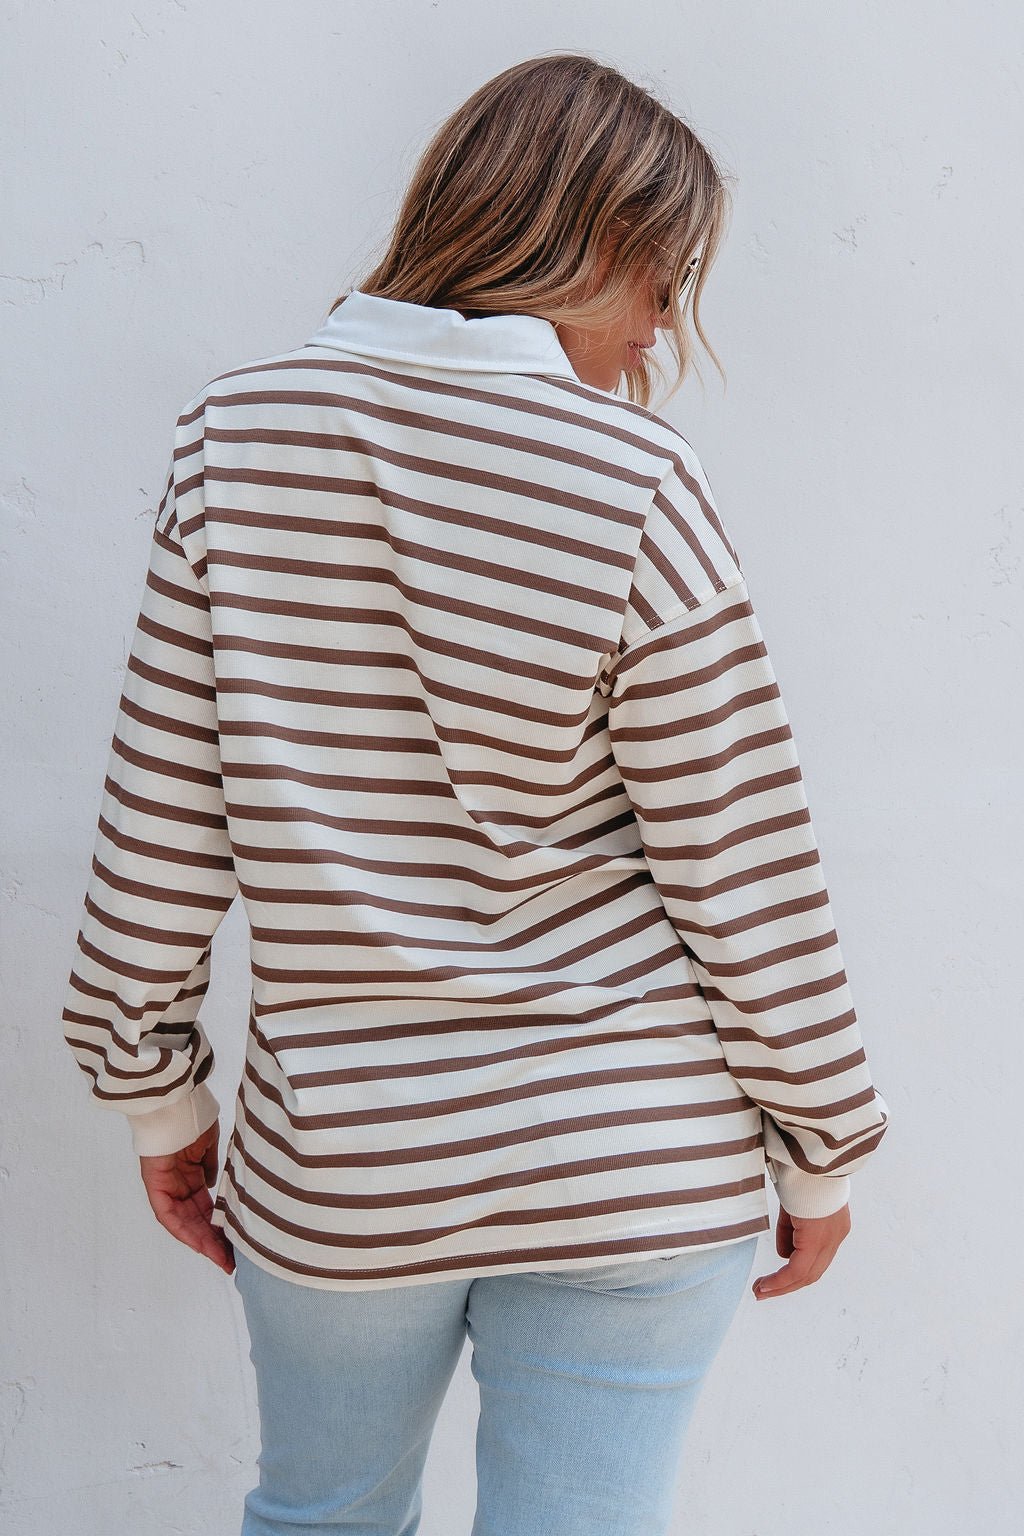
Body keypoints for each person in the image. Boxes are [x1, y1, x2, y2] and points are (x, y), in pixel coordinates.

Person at [61, 52, 890, 1536]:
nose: (655, 332)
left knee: (320, 1516)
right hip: (629, 1158)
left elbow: (160, 825)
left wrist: (157, 1097)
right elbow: (740, 860)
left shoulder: (235, 443)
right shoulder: (637, 480)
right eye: (663, 281)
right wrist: (820, 1147)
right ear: (597, 245)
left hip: (347, 1156)